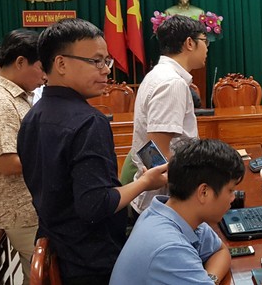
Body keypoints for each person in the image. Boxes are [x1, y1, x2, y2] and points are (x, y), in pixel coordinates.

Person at [17, 18, 168, 284]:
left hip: (62, 246)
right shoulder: (88, 122)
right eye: (96, 61)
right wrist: (146, 182)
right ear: (61, 64)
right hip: (94, 261)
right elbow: (96, 204)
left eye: (106, 61)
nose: (106, 70)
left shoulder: (34, 116)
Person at [110, 138, 262, 285]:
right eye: (230, 190)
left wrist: (207, 280)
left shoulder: (172, 212)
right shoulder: (169, 248)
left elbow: (220, 250)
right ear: (203, 192)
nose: (234, 198)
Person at [0, 30, 46, 283]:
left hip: (31, 206)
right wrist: (56, 156)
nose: (45, 76)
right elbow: (8, 164)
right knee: (41, 276)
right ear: (20, 62)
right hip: (21, 211)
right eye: (41, 68)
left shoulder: (18, 98)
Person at [130, 15, 208, 213]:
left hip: (161, 199)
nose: (207, 48)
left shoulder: (159, 74)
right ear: (190, 43)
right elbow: (155, 152)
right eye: (205, 42)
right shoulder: (171, 83)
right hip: (165, 204)